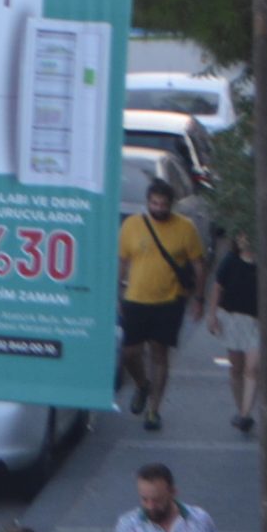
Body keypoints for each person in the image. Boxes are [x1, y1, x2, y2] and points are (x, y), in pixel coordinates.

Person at [116, 180, 206, 431]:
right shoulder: (132, 225)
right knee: (129, 353)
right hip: (135, 298)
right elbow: (122, 261)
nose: (158, 209)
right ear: (148, 202)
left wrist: (199, 299)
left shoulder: (185, 228)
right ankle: (142, 384)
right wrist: (117, 293)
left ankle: (154, 410)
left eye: (163, 205)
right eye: (154, 203)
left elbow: (198, 264)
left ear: (171, 204)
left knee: (159, 353)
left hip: (169, 301)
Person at [207, 232, 259, 433]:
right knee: (236, 368)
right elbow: (218, 288)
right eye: (241, 236)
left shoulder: (266, 262)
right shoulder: (230, 260)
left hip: (258, 322)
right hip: (233, 319)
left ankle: (245, 414)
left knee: (252, 368)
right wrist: (212, 315)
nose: (245, 240)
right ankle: (242, 410)